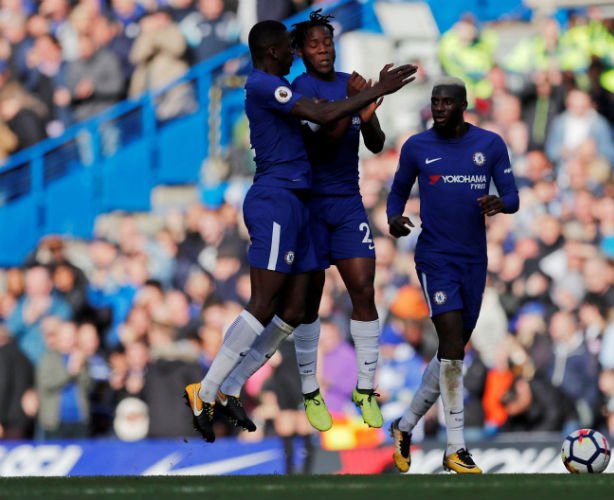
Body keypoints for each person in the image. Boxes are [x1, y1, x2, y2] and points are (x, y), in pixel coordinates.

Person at [183, 19, 415, 443]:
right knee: (265, 301)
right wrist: (374, 92)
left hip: (298, 202)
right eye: (294, 47)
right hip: (276, 199)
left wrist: (366, 103)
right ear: (277, 52)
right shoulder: (266, 85)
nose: (296, 53)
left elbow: (357, 131)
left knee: (289, 311)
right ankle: (208, 388)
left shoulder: (294, 84)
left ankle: (230, 387)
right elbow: (325, 119)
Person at [386, 77, 519, 474]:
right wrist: (394, 217)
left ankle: (405, 424)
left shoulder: (490, 144)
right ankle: (455, 447)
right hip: (435, 258)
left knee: (452, 351)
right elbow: (396, 190)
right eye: (435, 102)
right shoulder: (416, 146)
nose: (439, 108)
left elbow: (513, 196)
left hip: (474, 261)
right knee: (452, 346)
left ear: (463, 106)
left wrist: (500, 202)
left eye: (447, 102)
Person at [286, 10, 385, 431]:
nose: (323, 49)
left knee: (363, 287)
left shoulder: (351, 83)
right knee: (309, 300)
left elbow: (376, 143)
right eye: (314, 44)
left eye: (327, 42)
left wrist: (369, 108)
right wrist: (361, 99)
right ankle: (310, 390)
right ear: (301, 52)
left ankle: (366, 388)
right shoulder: (299, 90)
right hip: (310, 205)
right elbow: (325, 136)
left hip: (347, 202)